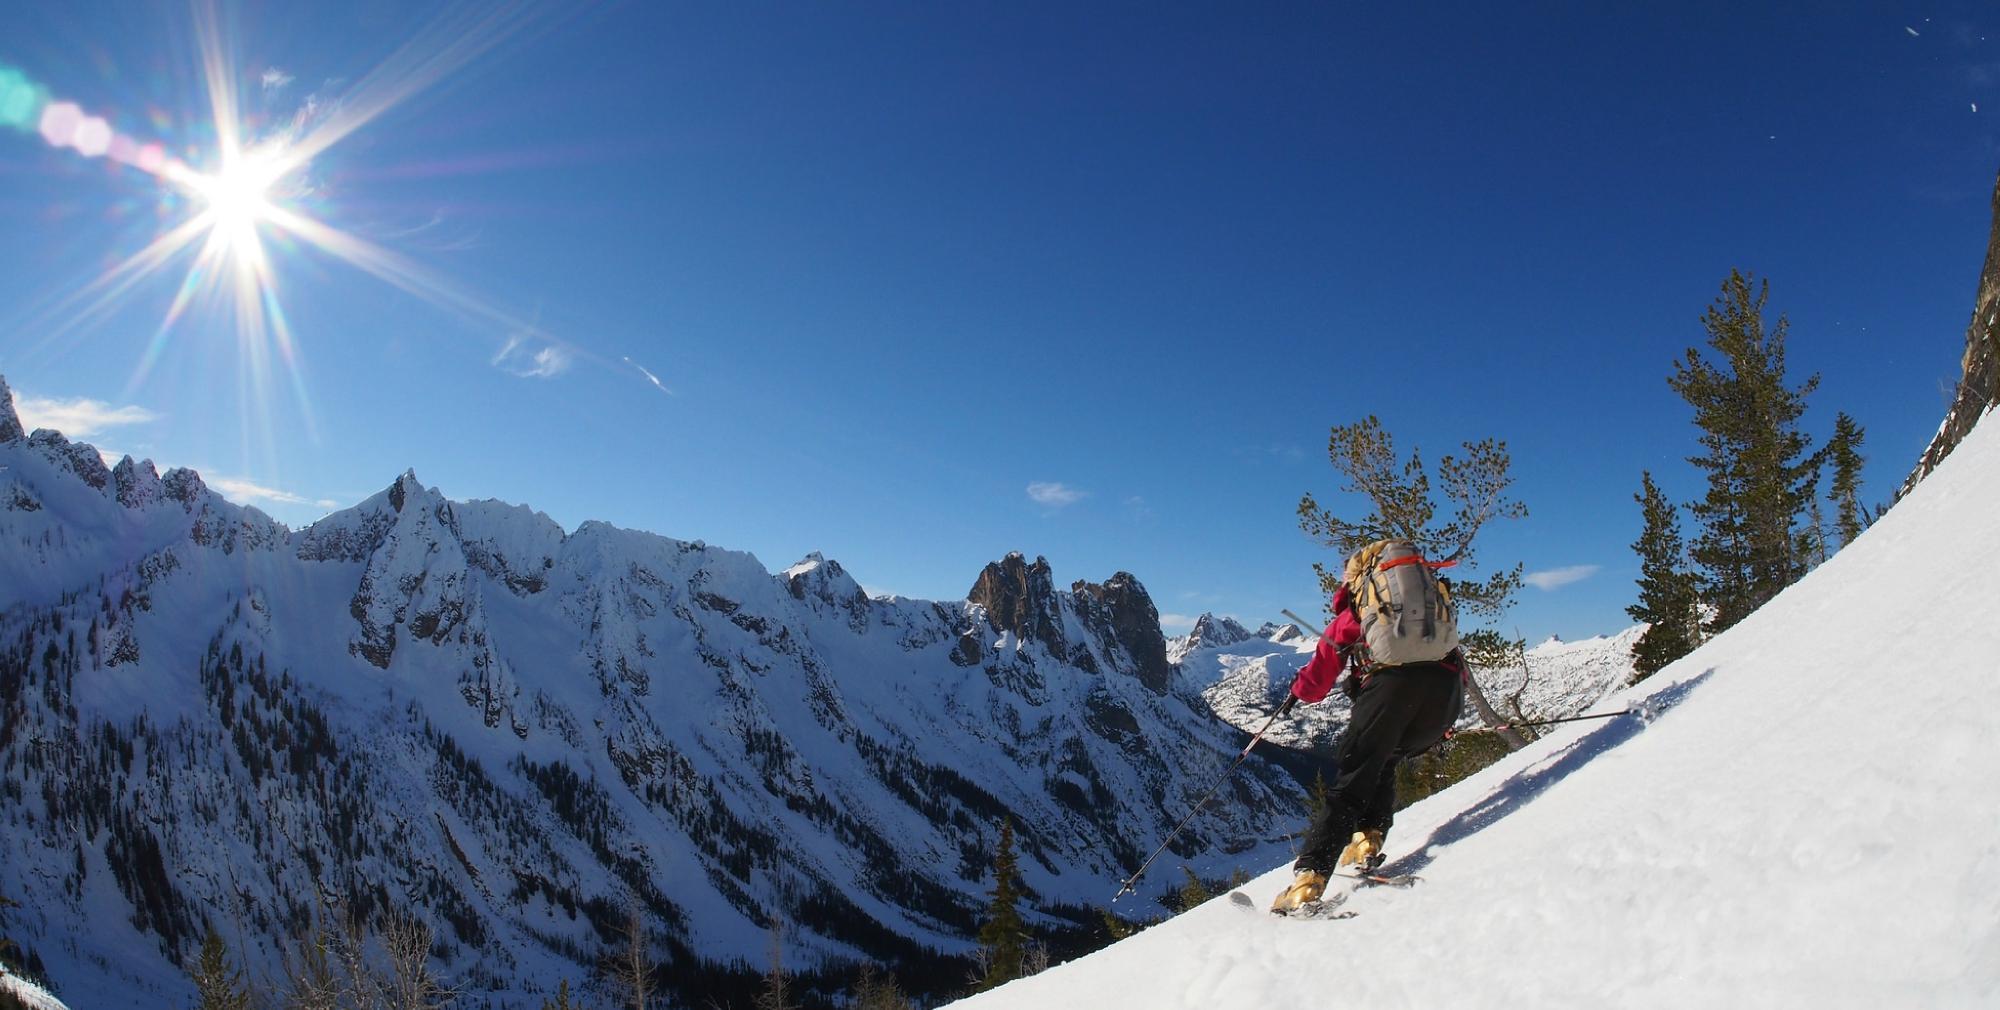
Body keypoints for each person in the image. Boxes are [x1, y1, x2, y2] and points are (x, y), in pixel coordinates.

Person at [1271, 542, 1466, 913]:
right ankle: (1367, 839)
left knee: (1351, 783)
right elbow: (1453, 657)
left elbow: (1322, 670)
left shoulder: (1362, 607)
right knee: (1387, 758)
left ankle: (1308, 880)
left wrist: (1298, 693)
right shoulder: (1431, 607)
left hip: (1390, 694)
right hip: (1445, 696)